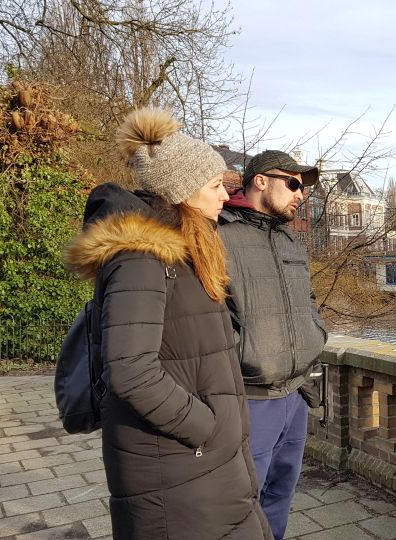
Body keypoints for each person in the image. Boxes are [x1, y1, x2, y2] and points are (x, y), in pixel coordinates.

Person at [66, 108, 272, 540]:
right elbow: (130, 371)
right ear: (182, 191)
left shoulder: (184, 253)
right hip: (175, 464)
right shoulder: (142, 257)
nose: (223, 196)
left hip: (197, 464)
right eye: (215, 186)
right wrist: (206, 427)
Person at [218, 150, 328, 540]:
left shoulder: (289, 239)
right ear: (260, 180)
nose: (301, 195)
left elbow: (308, 300)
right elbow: (204, 311)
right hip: (251, 397)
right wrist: (242, 353)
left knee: (281, 494)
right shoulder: (218, 233)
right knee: (242, 501)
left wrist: (316, 333)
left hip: (296, 393)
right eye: (293, 183)